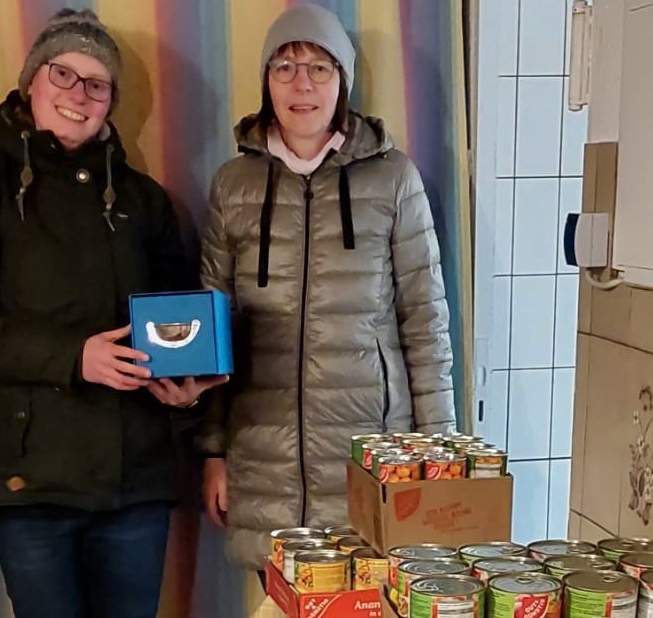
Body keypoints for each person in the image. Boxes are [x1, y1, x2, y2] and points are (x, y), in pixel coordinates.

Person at [0, 9, 225, 617]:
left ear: (111, 102)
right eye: (63, 74)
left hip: (134, 477)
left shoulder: (144, 200)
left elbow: (177, 318)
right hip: (28, 480)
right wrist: (74, 357)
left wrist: (186, 387)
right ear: (31, 80)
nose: (77, 94)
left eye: (96, 83)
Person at [197, 4, 457, 571]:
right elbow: (211, 331)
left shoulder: (394, 179)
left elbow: (425, 323)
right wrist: (213, 453)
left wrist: (439, 455)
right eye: (285, 67)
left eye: (320, 68)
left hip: (370, 456)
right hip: (264, 461)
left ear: (343, 81)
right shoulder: (233, 185)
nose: (302, 85)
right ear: (266, 82)